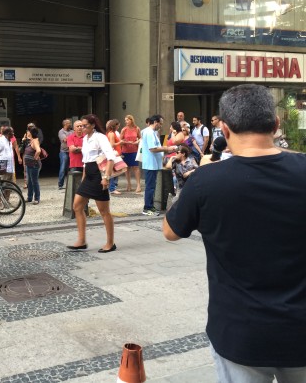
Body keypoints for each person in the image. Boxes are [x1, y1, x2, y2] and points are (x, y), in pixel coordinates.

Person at [164, 84, 306, 382]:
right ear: (276, 124)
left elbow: (171, 231)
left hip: (239, 331)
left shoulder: (206, 180)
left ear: (224, 130)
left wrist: (199, 177)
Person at [67, 114, 117, 253]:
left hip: (98, 174)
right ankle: (81, 241)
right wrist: (83, 178)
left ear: (93, 125)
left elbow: (110, 157)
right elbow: (85, 160)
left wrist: (106, 177)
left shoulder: (100, 137)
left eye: (85, 126)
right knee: (77, 206)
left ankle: (110, 243)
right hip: (88, 174)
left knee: (104, 211)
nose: (82, 128)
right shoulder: (85, 139)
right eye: (81, 126)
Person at [140, 115, 177, 216]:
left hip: (153, 163)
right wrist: (167, 149)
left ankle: (150, 206)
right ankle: (147, 208)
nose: (160, 126)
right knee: (150, 187)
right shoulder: (149, 132)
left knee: (152, 186)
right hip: (150, 164)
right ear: (155, 122)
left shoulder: (151, 132)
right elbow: (153, 149)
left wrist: (165, 148)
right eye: (160, 123)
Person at [120, 115, 141, 193]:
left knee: (136, 167)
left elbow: (140, 138)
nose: (126, 122)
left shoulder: (137, 128)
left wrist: (137, 141)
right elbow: (120, 140)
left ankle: (138, 185)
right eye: (125, 120)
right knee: (127, 168)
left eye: (127, 120)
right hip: (125, 150)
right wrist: (126, 142)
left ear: (131, 120)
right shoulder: (124, 130)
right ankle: (129, 184)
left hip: (134, 150)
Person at [23, 126, 42, 205]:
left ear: (31, 133)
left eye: (28, 132)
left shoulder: (35, 141)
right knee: (29, 182)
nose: (27, 133)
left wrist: (35, 158)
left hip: (33, 165)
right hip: (28, 164)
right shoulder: (30, 141)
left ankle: (37, 198)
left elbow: (38, 150)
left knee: (34, 181)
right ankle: (29, 197)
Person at [106, 119, 122, 195]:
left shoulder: (110, 133)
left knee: (114, 171)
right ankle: (112, 188)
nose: (118, 127)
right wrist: (120, 142)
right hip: (113, 154)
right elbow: (112, 144)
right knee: (114, 171)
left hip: (115, 154)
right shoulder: (112, 133)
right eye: (118, 125)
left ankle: (112, 187)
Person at [57, 119, 73, 190]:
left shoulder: (72, 131)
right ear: (65, 124)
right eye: (69, 123)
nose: (70, 124)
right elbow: (65, 140)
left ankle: (72, 184)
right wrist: (72, 138)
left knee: (72, 168)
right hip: (64, 152)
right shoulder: (61, 131)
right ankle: (60, 184)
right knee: (63, 168)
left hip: (72, 152)